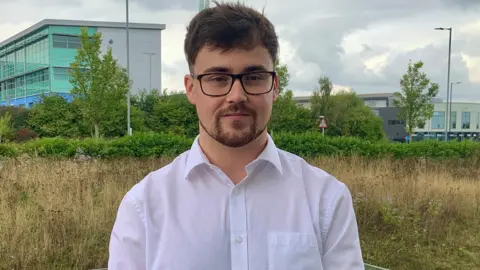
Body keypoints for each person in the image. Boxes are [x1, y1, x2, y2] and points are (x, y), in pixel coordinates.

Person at [108, 2, 364, 269]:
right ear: (191, 88)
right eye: (218, 78)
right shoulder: (144, 207)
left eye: (254, 77)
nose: (236, 96)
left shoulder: (326, 200)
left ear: (274, 87)